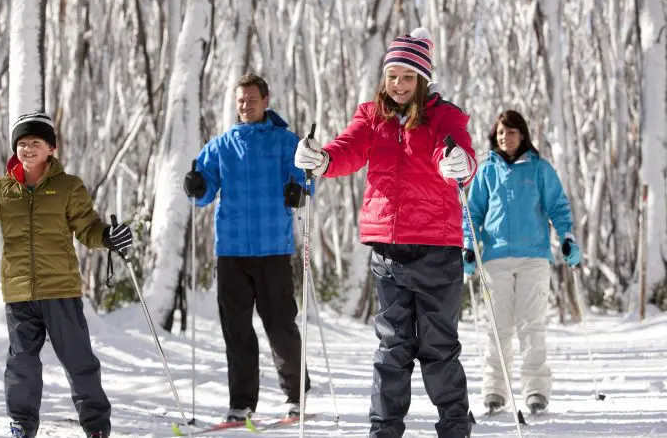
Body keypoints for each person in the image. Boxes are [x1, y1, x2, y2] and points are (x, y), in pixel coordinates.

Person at [295, 28, 475, 438]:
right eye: (392, 75)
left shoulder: (444, 115)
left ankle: (453, 427)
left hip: (437, 251)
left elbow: (457, 149)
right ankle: (384, 430)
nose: (397, 84)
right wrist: (322, 159)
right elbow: (349, 149)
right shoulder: (371, 116)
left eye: (407, 77)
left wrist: (458, 162)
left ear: (422, 79)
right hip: (389, 254)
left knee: (438, 350)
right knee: (392, 349)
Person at [0, 113, 132, 438]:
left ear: (51, 147)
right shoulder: (2, 189)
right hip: (19, 292)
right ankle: (22, 425)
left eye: (35, 142)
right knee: (21, 365)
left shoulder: (69, 187)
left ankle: (96, 427)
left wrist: (108, 236)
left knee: (79, 361)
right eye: (22, 143)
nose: (28, 148)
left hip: (60, 290)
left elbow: (88, 228)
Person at [183, 74, 312, 421]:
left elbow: (304, 178)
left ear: (265, 101)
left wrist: (298, 190)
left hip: (273, 247)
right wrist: (196, 186)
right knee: (236, 329)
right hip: (232, 250)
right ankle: (241, 403)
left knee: (280, 325)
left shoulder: (287, 142)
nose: (246, 105)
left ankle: (296, 395)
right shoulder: (221, 145)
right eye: (240, 100)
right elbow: (205, 188)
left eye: (252, 99)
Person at [461, 109, 580, 415]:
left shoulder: (540, 169)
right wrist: (469, 246)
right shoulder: (487, 171)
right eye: (501, 132)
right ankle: (494, 390)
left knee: (531, 325)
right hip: (496, 259)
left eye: (511, 132)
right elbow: (472, 213)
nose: (505, 137)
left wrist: (567, 238)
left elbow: (558, 207)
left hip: (533, 258)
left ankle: (536, 390)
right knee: (497, 327)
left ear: (523, 134)